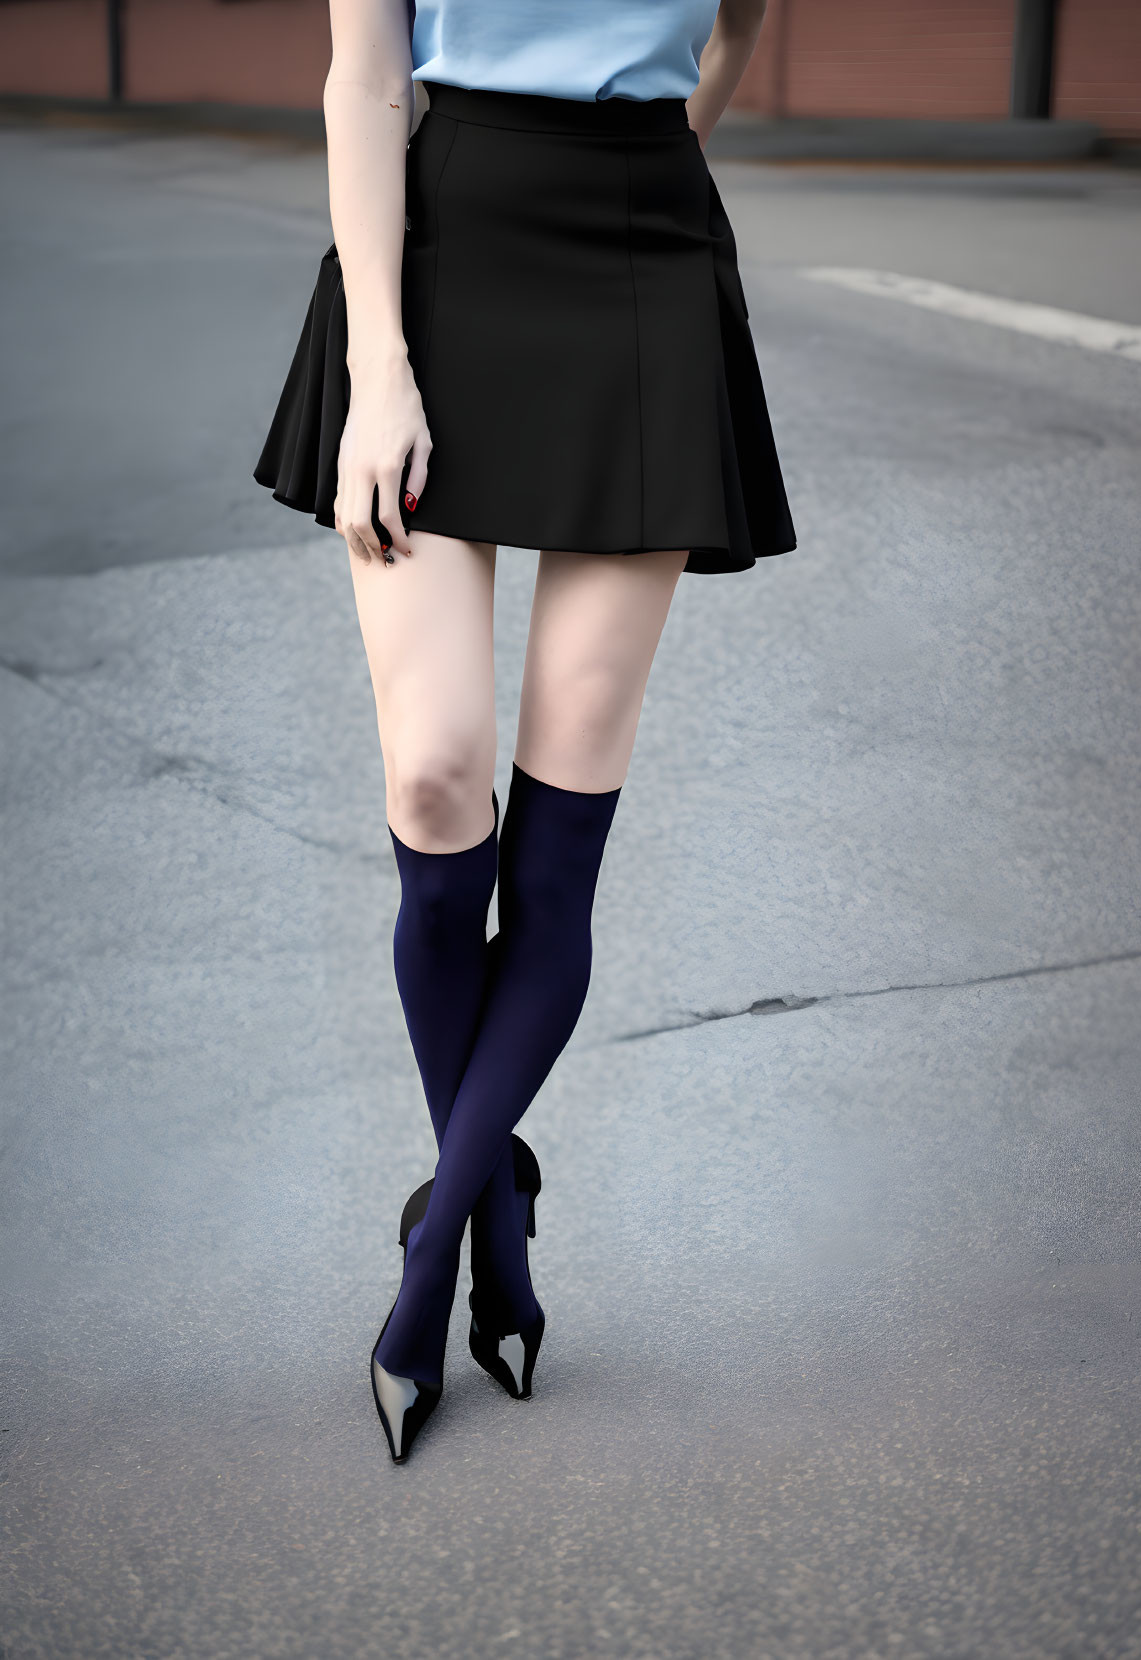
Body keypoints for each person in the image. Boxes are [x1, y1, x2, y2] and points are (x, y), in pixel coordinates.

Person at [253, 0, 795, 1464]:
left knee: (556, 850)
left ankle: (432, 1268)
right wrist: (378, 371)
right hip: (438, 253)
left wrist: (649, 171)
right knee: (435, 784)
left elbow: (736, 28)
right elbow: (362, 72)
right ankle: (489, 1198)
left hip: (644, 261)